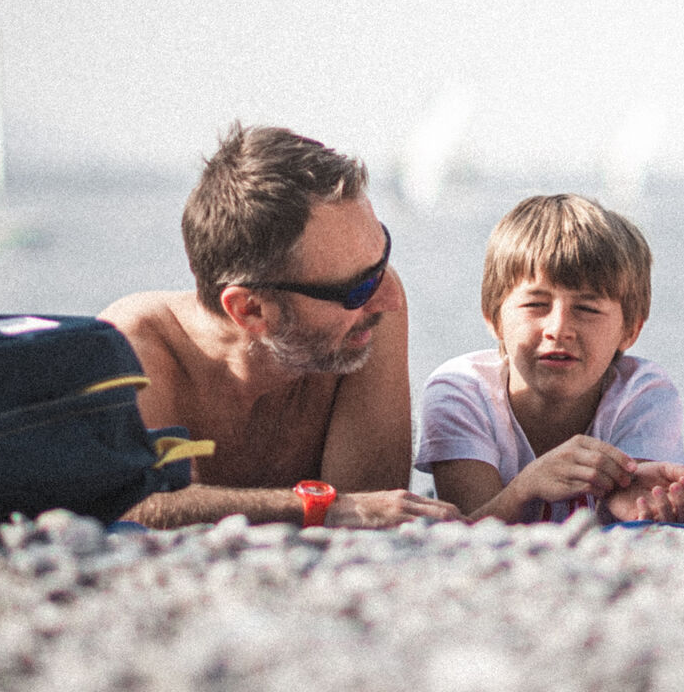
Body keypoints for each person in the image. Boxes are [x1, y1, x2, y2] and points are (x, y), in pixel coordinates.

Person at [102, 125, 458, 528]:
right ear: (250, 309)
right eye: (356, 288)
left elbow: (371, 508)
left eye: (382, 259)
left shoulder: (366, 320)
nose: (389, 298)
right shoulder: (133, 344)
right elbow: (134, 503)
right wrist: (316, 506)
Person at [417, 194, 684, 523]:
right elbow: (464, 531)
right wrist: (527, 487)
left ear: (630, 330)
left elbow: (649, 509)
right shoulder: (460, 393)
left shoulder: (643, 394)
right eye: (536, 304)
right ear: (494, 317)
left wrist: (646, 504)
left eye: (587, 308)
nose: (559, 328)